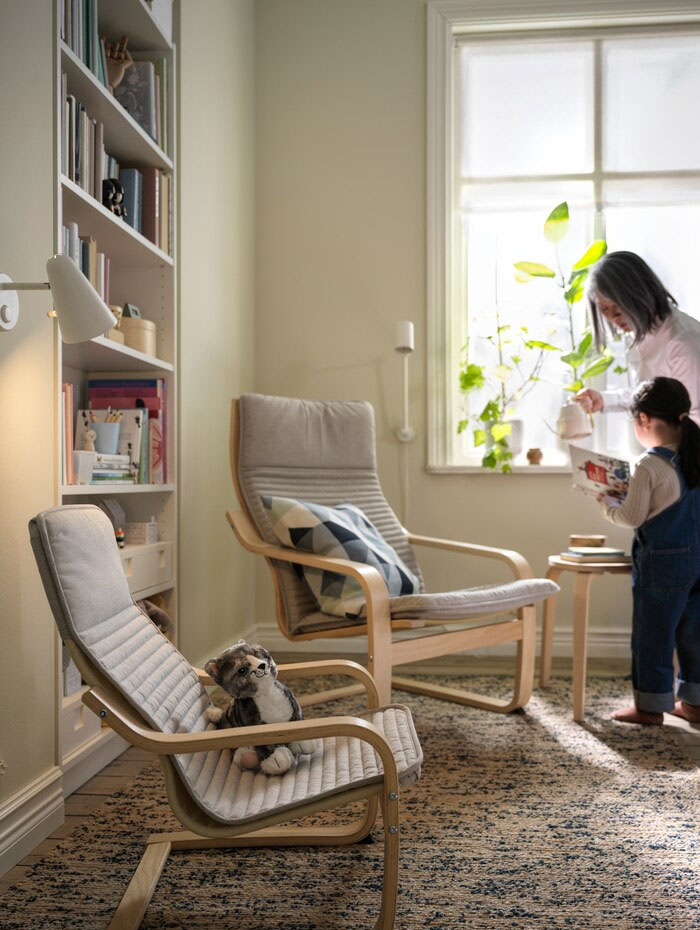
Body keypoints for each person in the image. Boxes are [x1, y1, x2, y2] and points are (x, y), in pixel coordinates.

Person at [597, 377, 700, 725]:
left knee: (653, 633)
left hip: (664, 564)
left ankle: (650, 707)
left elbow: (631, 517)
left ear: (643, 420)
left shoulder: (649, 464)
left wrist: (607, 503)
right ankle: (696, 704)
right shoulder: (694, 455)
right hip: (699, 560)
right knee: (694, 632)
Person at [575, 251, 700, 426]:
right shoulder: (639, 334)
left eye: (617, 307)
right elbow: (650, 397)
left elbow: (694, 419)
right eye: (604, 309)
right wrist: (604, 400)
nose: (613, 318)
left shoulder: (683, 342)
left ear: (638, 294)